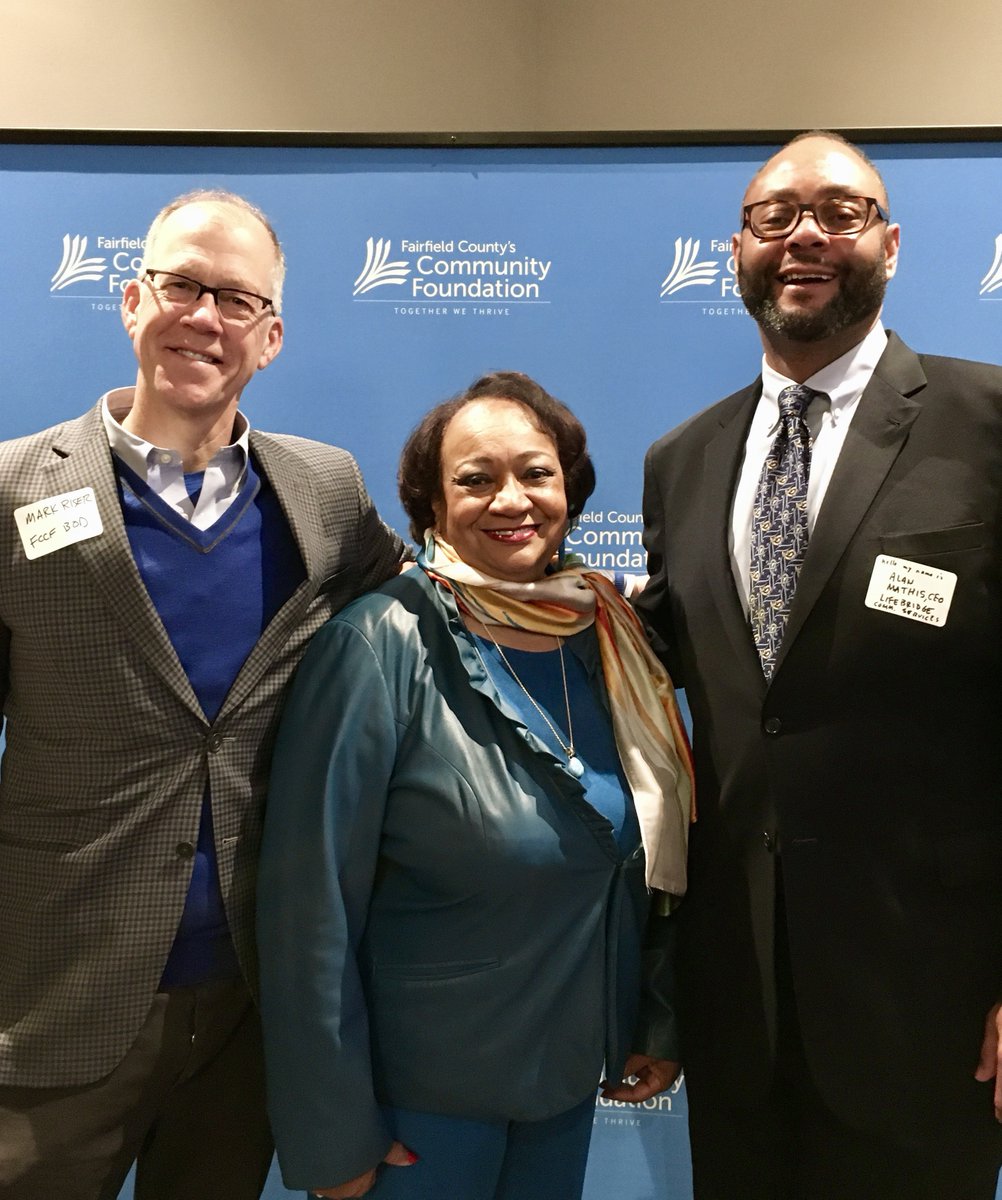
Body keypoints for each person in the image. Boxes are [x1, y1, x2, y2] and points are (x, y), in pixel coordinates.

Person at [0, 189, 406, 1199]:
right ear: (133, 300)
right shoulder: (12, 492)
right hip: (57, 1001)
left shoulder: (326, 490)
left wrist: (583, 603)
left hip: (248, 1009)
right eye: (181, 285)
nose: (204, 318)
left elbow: (435, 610)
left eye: (236, 299)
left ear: (270, 337)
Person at [637, 130, 1002, 1199]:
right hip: (737, 1009)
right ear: (737, 251)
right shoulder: (681, 460)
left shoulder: (988, 426)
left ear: (891, 243)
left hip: (928, 1006)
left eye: (840, 212)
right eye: (774, 216)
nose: (804, 235)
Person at [257, 371, 694, 1199]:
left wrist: (651, 1016)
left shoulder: (610, 639)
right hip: (416, 1108)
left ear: (570, 490)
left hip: (564, 1086)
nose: (512, 500)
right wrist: (331, 1133)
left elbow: (637, 865)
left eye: (536, 473)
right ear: (431, 504)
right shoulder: (377, 645)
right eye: (475, 479)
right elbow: (309, 910)